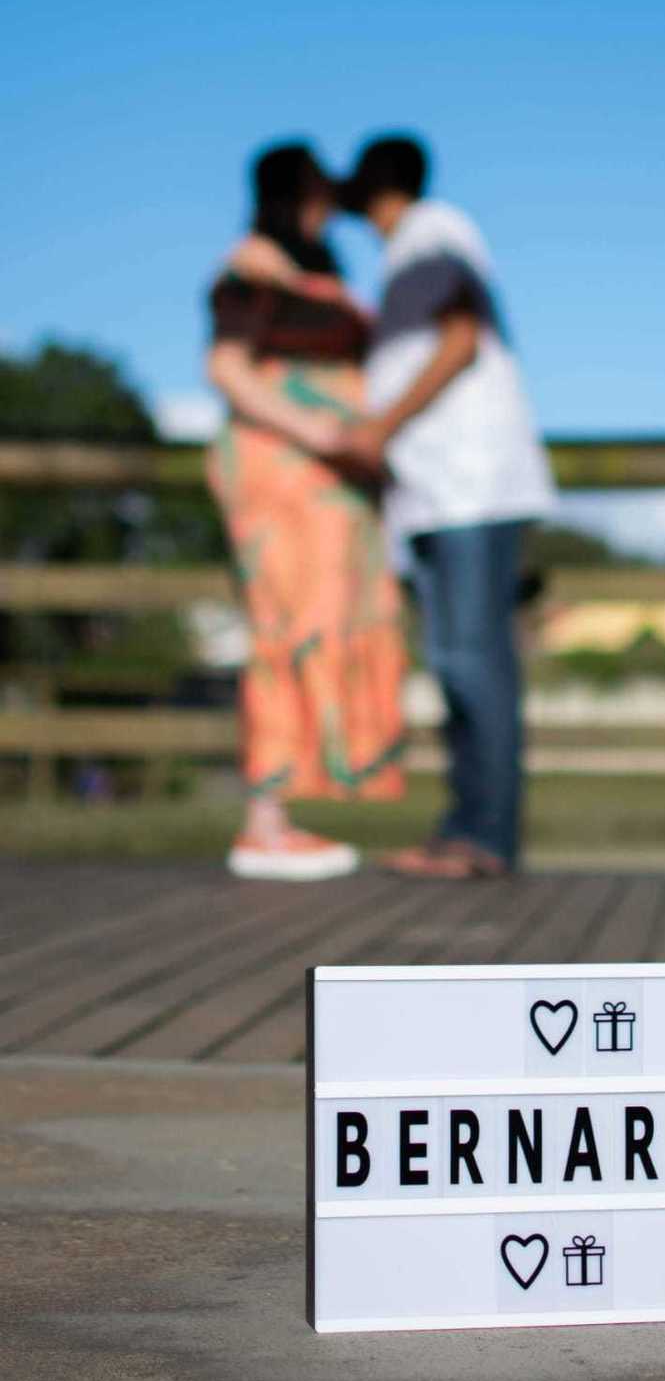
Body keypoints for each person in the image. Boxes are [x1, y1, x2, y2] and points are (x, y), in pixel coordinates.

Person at [336, 135, 555, 878]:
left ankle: (485, 836)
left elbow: (460, 339)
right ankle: (466, 827)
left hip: (471, 485)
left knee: (472, 660)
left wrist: (380, 427)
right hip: (437, 491)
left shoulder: (434, 231)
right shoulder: (410, 250)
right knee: (457, 661)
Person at [206, 142, 406, 881]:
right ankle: (265, 822)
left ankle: (280, 817)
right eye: (321, 188)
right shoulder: (256, 264)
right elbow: (227, 367)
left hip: (328, 482)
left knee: (326, 624)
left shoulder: (314, 269)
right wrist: (320, 432)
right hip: (286, 473)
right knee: (287, 630)